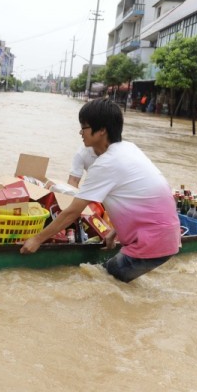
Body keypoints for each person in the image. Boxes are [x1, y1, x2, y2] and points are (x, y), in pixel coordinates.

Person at [20, 99, 181, 283]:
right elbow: (134, 198)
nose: (81, 132)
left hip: (152, 242)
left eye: (85, 127)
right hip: (167, 236)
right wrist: (114, 232)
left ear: (102, 130)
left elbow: (72, 212)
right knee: (110, 280)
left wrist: (37, 240)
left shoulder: (106, 163)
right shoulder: (129, 148)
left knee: (104, 280)